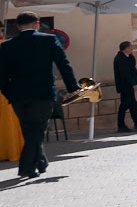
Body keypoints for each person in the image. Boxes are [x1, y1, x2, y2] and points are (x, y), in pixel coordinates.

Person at [0, 12, 78, 180]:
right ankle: (26, 168)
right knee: (37, 131)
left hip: (17, 96)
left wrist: (8, 93)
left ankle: (41, 162)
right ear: (37, 24)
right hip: (42, 93)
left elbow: (2, 74)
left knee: (29, 130)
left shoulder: (7, 45)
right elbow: (63, 64)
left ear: (18, 26)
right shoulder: (49, 40)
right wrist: (73, 87)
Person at [112, 41, 137, 132]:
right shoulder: (121, 59)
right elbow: (125, 74)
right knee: (124, 105)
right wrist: (133, 84)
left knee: (133, 104)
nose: (132, 49)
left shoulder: (127, 57)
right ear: (126, 48)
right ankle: (121, 125)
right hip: (125, 86)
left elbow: (132, 68)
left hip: (127, 86)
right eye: (130, 48)